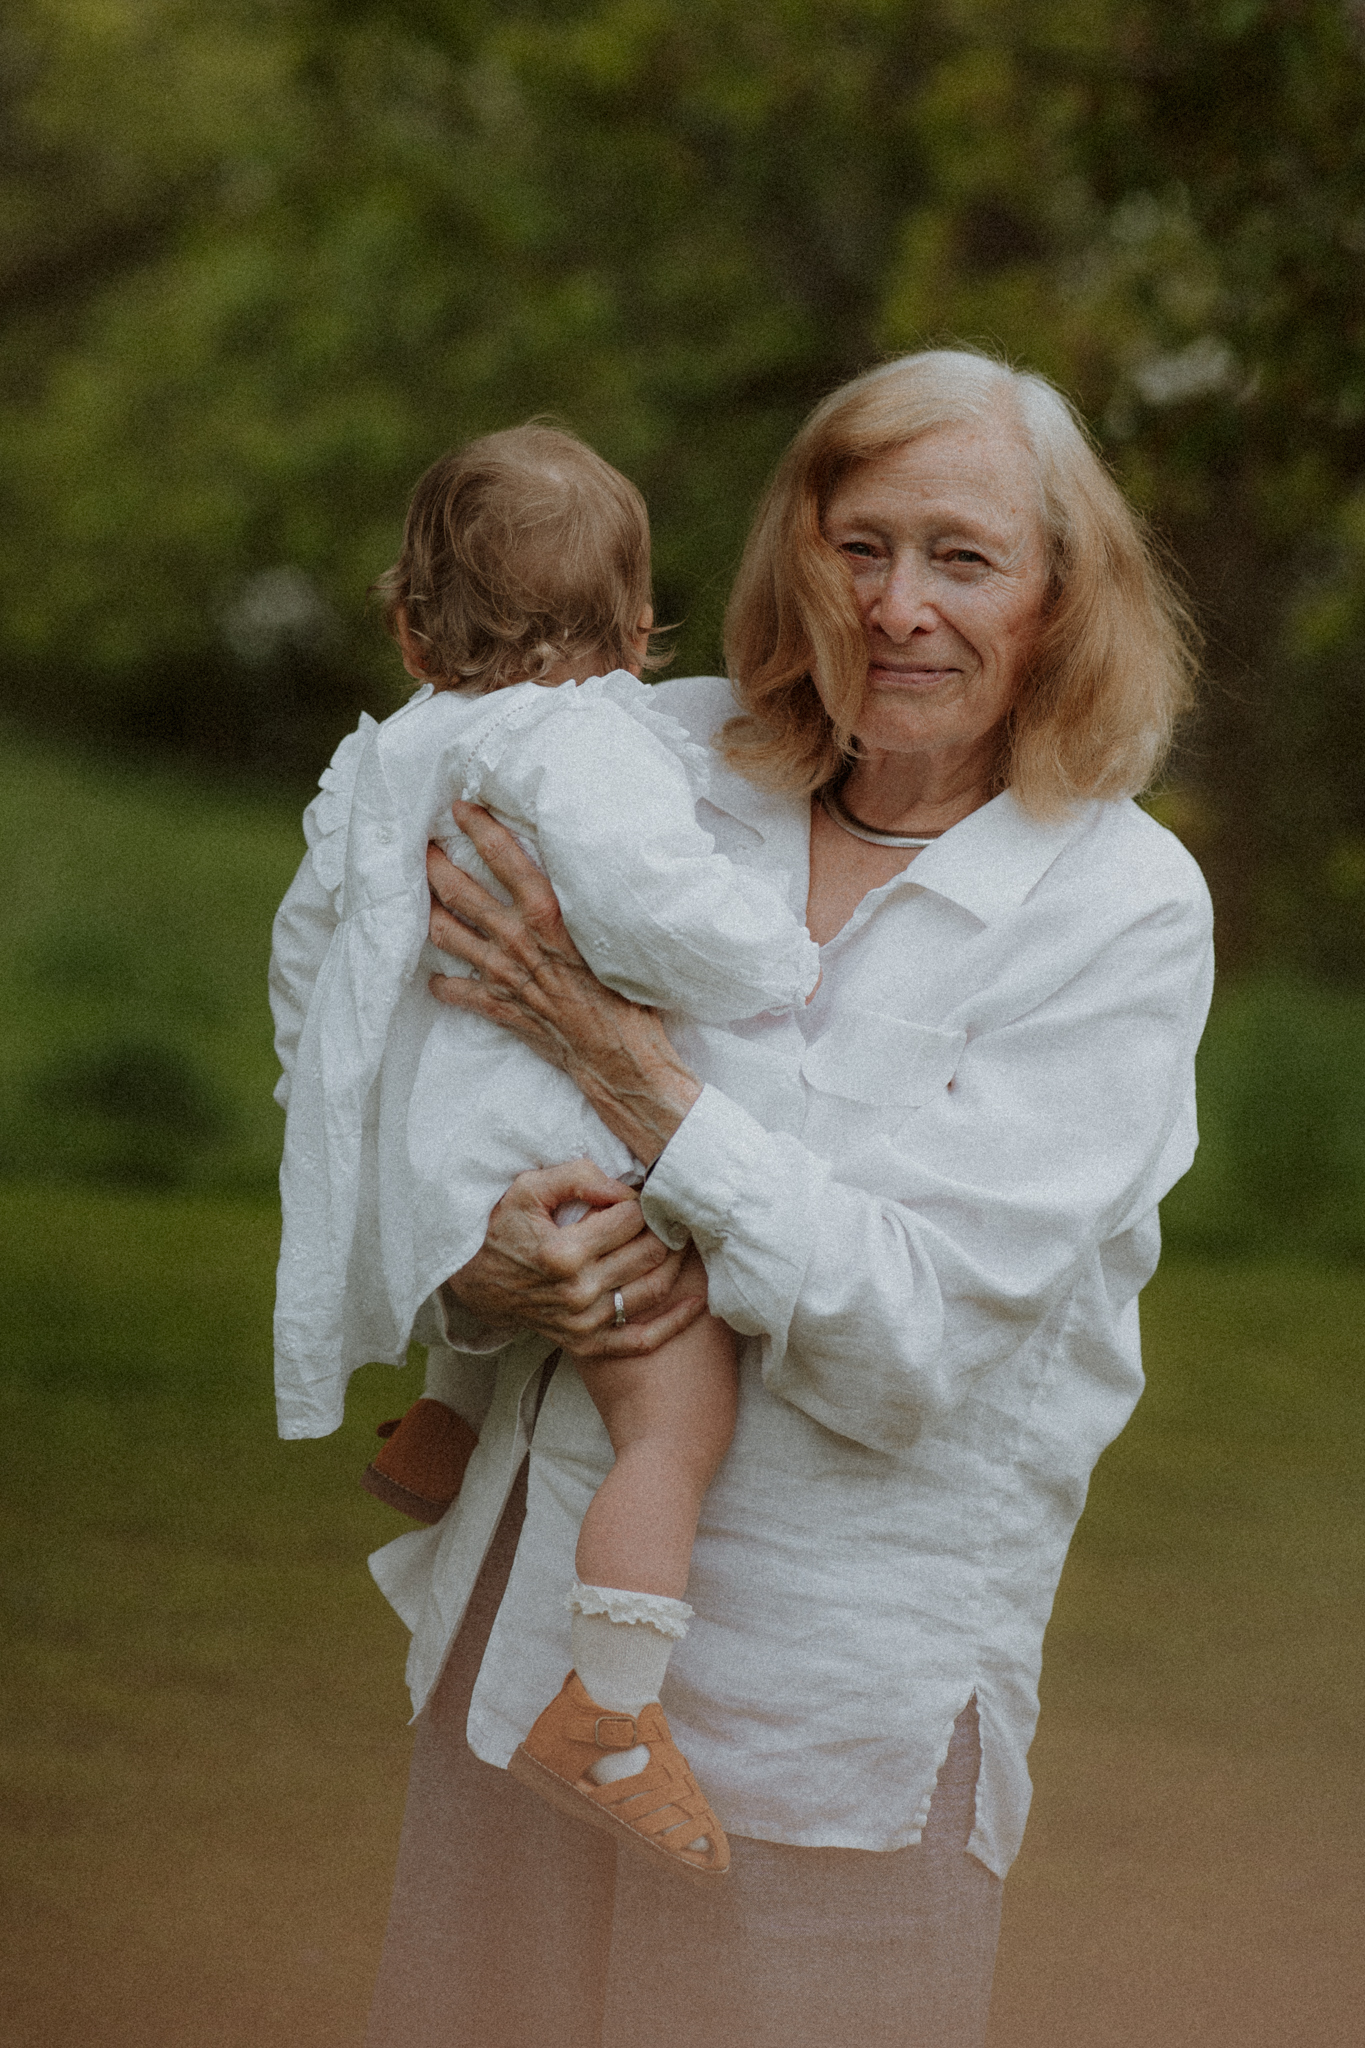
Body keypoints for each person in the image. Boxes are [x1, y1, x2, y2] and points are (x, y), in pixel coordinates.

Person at [359, 347, 1214, 2048]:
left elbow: (905, 1338)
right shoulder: (642, 763)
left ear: (1059, 599)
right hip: (526, 1653)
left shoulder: (1115, 907)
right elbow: (412, 1071)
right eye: (859, 544)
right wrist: (480, 1264)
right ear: (790, 558)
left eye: (962, 559)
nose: (900, 607)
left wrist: (626, 1074)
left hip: (831, 1724)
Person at [269, 424, 821, 1885]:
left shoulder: (381, 759)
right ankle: (613, 1717)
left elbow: (306, 960)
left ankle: (443, 1418)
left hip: (437, 1136)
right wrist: (774, 942)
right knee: (676, 1416)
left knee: (500, 1222)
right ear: (639, 634)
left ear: (405, 624)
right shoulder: (585, 743)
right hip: (556, 1125)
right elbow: (654, 912)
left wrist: (359, 1129)